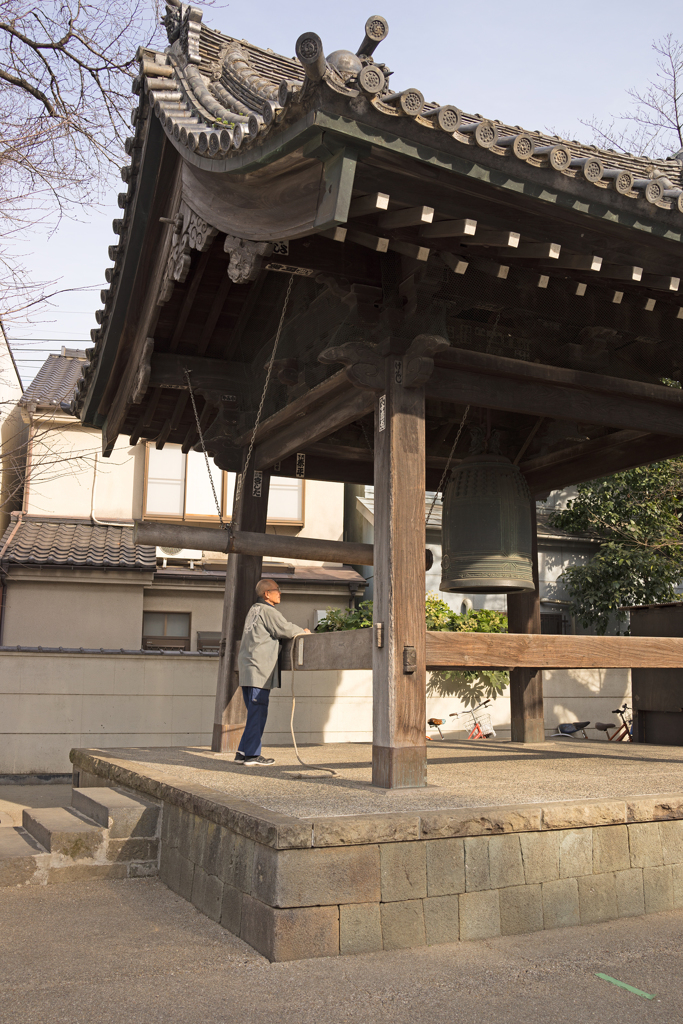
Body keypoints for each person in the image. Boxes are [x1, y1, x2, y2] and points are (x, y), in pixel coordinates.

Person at [235, 578, 310, 766]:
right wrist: (304, 631)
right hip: (259, 670)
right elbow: (284, 628)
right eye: (277, 590)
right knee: (258, 712)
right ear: (266, 594)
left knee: (254, 712)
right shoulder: (268, 611)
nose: (280, 593)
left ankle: (242, 752)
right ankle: (252, 755)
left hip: (247, 668)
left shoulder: (254, 610)